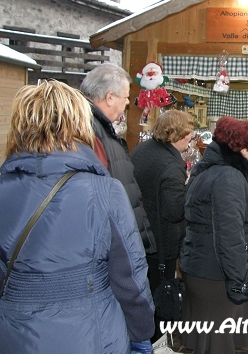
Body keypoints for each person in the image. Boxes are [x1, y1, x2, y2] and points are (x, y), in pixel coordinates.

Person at [0, 80, 155, 353]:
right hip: (91, 335)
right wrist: (142, 330)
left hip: (14, 334)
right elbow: (129, 275)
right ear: (78, 124)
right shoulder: (104, 190)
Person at [179, 116, 248, 354]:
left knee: (206, 341)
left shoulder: (206, 169)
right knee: (217, 343)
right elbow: (229, 234)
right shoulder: (229, 177)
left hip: (200, 265)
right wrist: (238, 281)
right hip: (215, 271)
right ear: (240, 148)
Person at [131, 110, 194, 348]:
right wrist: (189, 185)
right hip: (160, 244)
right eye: (188, 131)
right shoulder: (171, 165)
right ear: (177, 134)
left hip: (140, 235)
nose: (191, 136)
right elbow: (175, 210)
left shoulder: (143, 150)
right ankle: (158, 345)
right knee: (161, 300)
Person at [80, 63, 156, 254]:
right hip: (106, 248)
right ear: (110, 97)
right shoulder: (87, 131)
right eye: (126, 97)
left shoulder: (98, 128)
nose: (128, 102)